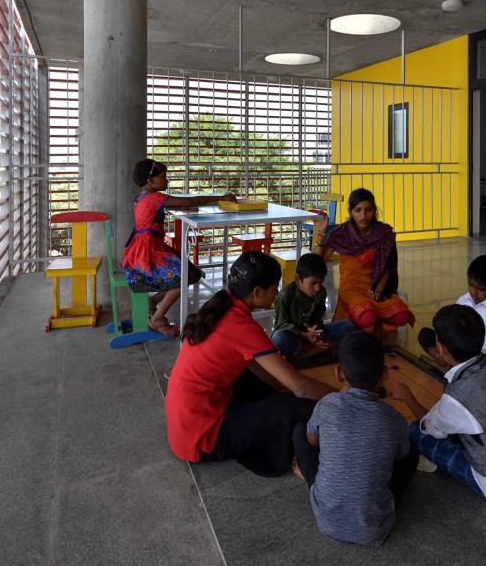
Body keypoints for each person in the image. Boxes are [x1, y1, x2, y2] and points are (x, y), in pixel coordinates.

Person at [164, 251, 335, 476]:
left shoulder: (223, 305)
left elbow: (255, 365)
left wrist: (280, 385)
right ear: (257, 292)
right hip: (203, 440)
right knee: (298, 406)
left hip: (184, 426)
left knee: (266, 387)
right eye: (274, 289)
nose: (276, 295)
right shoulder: (242, 326)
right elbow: (301, 388)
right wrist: (341, 396)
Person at [392, 304, 486, 507]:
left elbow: (430, 426)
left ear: (441, 349)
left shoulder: (457, 398)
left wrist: (407, 396)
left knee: (415, 431)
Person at [292, 332, 418, 546]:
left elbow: (312, 442)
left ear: (339, 373)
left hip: (327, 520)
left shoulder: (327, 404)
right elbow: (401, 456)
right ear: (384, 374)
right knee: (412, 449)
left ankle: (310, 475)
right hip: (375, 527)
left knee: (300, 430)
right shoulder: (394, 419)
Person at [121, 159, 234, 337]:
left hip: (146, 248)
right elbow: (188, 201)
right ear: (150, 180)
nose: (167, 181)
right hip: (147, 253)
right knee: (182, 276)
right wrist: (220, 197)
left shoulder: (142, 197)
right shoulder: (154, 198)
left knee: (191, 273)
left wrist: (182, 206)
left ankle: (154, 302)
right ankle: (157, 318)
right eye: (164, 177)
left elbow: (166, 208)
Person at [311, 188, 414, 335]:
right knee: (367, 317)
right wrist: (321, 232)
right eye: (358, 210)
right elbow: (316, 264)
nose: (363, 215)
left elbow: (387, 267)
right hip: (351, 287)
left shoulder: (383, 234)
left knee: (402, 316)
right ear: (350, 211)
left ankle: (373, 314)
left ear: (374, 210)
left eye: (368, 210)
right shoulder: (342, 233)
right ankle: (366, 321)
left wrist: (378, 291)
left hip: (376, 287)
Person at [418, 255, 486, 369]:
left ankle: (447, 367)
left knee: (476, 364)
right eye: (470, 285)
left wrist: (452, 355)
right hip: (461, 350)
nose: (473, 292)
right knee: (425, 335)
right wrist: (445, 351)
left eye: (481, 289)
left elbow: (485, 351)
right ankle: (445, 363)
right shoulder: (463, 300)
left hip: (483, 362)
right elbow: (453, 328)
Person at [271, 253, 356, 362]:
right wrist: (304, 334)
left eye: (320, 282)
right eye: (313, 283)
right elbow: (281, 325)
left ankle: (303, 355)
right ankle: (317, 351)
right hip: (296, 337)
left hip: (313, 336)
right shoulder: (285, 295)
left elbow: (317, 319)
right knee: (279, 338)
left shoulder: (321, 292)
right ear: (297, 278)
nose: (317, 288)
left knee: (346, 326)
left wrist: (314, 332)